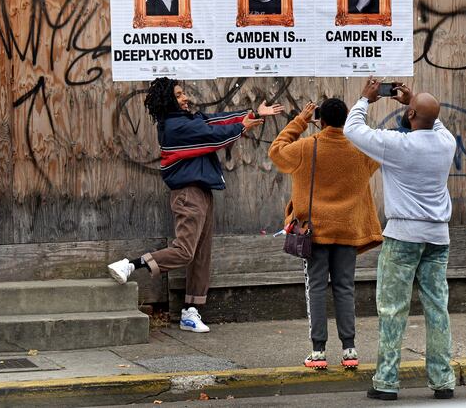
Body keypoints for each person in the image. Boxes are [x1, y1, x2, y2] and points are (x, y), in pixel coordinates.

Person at [107, 77, 283, 333]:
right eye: (179, 95)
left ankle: (191, 312)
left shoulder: (187, 120)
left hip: (202, 191)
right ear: (169, 100)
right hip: (188, 193)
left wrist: (252, 114)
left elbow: (214, 121)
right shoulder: (174, 127)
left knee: (201, 255)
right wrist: (242, 127)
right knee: (185, 251)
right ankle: (131, 264)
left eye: (184, 94)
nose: (185, 98)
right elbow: (213, 136)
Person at [343, 77, 457, 401]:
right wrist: (412, 102)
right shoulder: (446, 143)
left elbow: (353, 130)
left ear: (410, 118)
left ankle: (387, 381)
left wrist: (366, 99)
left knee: (393, 310)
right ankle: (443, 380)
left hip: (404, 235)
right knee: (438, 309)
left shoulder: (397, 145)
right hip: (438, 237)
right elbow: (433, 122)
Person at [268, 98, 383, 369]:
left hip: (315, 231)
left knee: (316, 287)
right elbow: (380, 151)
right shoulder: (361, 149)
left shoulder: (308, 146)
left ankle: (318, 351)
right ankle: (349, 350)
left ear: (320, 119)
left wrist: (300, 121)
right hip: (348, 230)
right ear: (347, 119)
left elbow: (276, 151)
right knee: (345, 288)